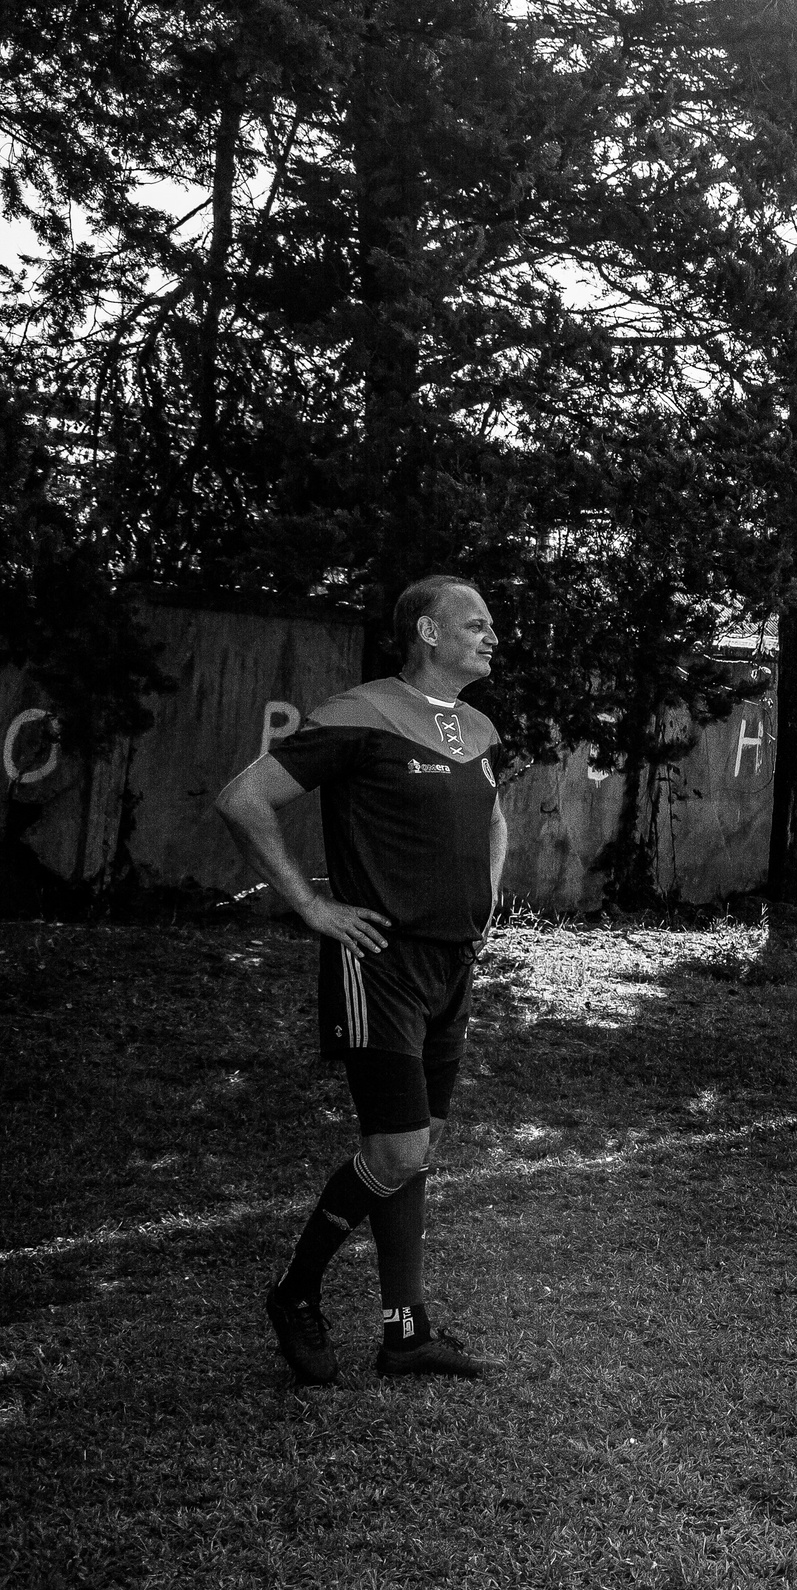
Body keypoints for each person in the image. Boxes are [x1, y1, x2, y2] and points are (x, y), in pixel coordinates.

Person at [216, 575, 506, 1385]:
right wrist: (310, 905)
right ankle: (295, 1291)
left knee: (420, 1148)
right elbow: (245, 798)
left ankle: (405, 1332)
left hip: (454, 964)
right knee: (400, 1147)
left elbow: (492, 817)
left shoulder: (479, 728)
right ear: (427, 632)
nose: (492, 637)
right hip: (379, 963)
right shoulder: (359, 714)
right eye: (475, 624)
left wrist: (488, 895)